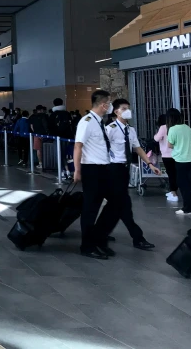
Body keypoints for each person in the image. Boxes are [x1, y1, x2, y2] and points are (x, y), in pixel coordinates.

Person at [96, 99, 159, 251]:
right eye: (124, 108)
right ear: (116, 112)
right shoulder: (110, 129)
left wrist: (150, 164)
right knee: (124, 205)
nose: (127, 111)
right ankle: (137, 237)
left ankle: (100, 232)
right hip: (113, 169)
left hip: (125, 169)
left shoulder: (130, 130)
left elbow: (137, 148)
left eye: (128, 108)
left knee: (118, 206)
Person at [73, 90, 114, 260]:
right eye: (109, 103)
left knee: (117, 203)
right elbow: (78, 146)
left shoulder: (99, 122)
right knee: (90, 209)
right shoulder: (87, 122)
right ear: (103, 105)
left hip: (103, 169)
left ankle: (98, 239)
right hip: (92, 170)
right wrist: (77, 170)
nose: (110, 106)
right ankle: (87, 246)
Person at [166, 108, 191, 215]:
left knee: (183, 185)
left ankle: (188, 208)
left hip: (180, 160)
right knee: (188, 185)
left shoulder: (172, 129)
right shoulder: (188, 128)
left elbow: (170, 145)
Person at [154, 114, 178, 202]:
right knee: (175, 174)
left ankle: (173, 193)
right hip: (176, 154)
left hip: (166, 154)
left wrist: (155, 135)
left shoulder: (163, 127)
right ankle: (174, 191)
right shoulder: (176, 127)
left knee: (171, 174)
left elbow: (157, 139)